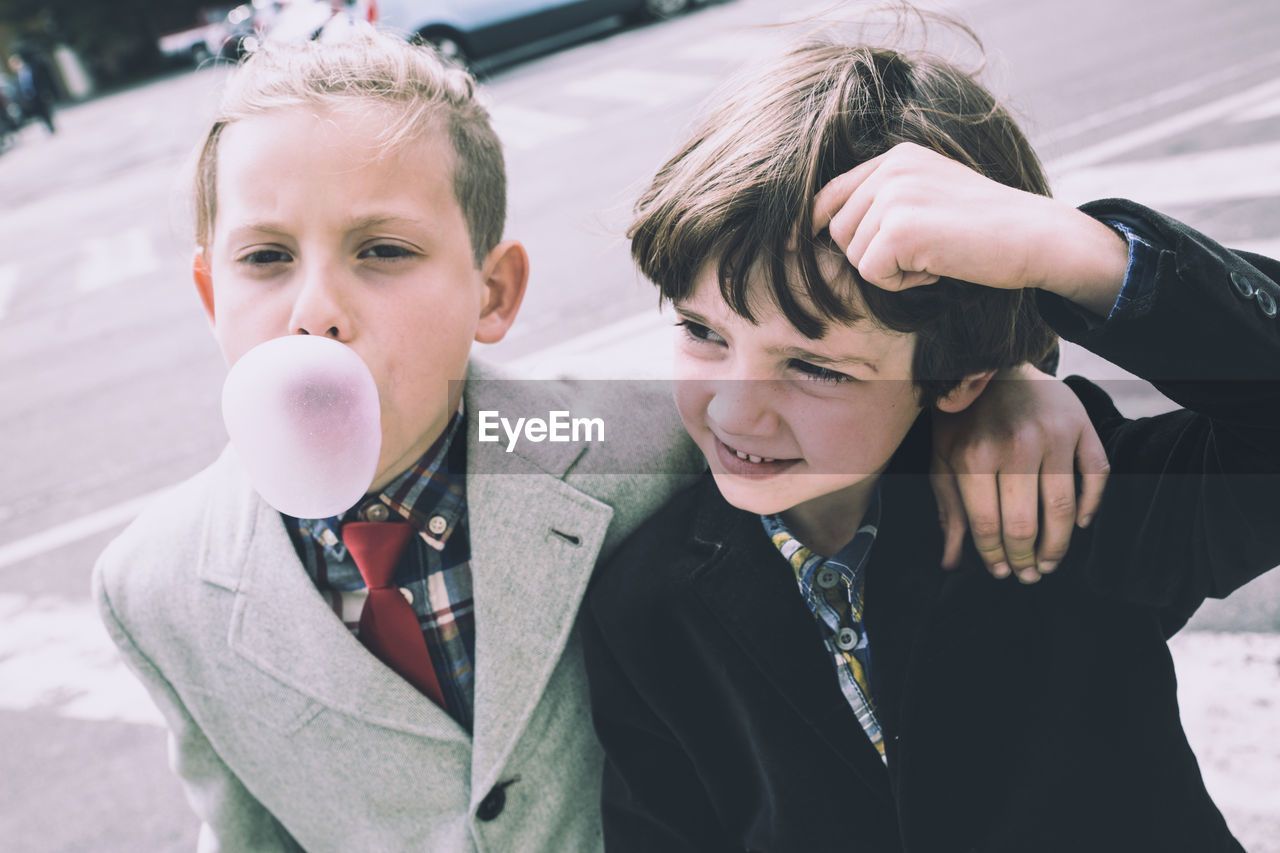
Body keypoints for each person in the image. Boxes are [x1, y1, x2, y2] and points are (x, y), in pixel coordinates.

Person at [93, 27, 1107, 853]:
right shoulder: (154, 584)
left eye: (383, 251)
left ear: (493, 293)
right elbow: (243, 831)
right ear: (207, 291)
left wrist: (1006, 383)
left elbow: (834, 407)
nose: (316, 309)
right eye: (264, 256)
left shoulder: (643, 444)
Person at [580, 32, 1280, 853]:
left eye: (814, 368)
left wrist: (1078, 253)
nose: (738, 412)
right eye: (703, 332)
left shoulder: (1059, 489)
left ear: (963, 376)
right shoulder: (647, 605)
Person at [9, 52, 55, 134]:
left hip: (38, 94)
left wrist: (45, 91)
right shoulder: (18, 74)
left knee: (44, 111)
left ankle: (50, 126)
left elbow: (39, 80)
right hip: (30, 97)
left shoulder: (29, 69)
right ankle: (47, 125)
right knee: (39, 113)